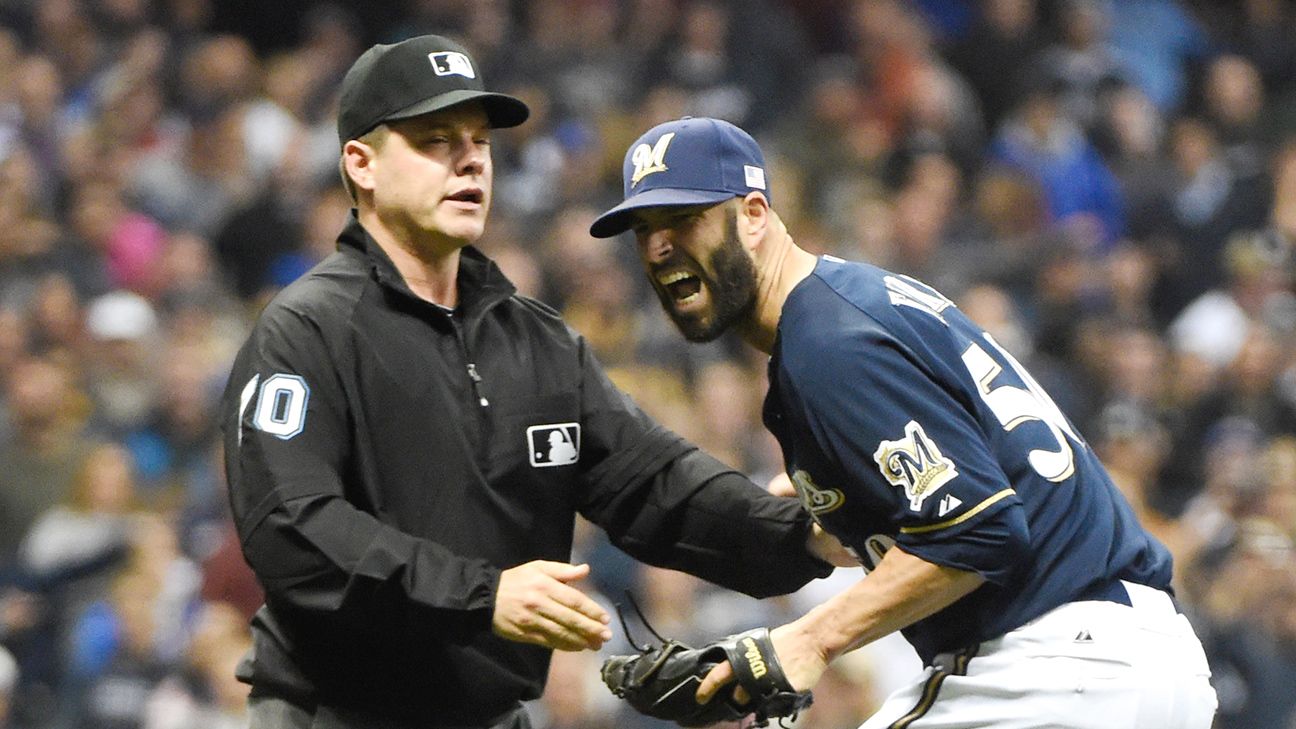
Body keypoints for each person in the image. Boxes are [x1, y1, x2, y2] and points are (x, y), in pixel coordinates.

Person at [220, 37, 846, 729]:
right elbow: (291, 528)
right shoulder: (308, 330)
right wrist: (481, 594)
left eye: (478, 142)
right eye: (434, 141)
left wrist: (802, 535)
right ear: (360, 164)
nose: (468, 161)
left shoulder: (533, 339)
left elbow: (653, 484)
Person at [590, 116, 1218, 728]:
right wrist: (838, 516)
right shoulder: (852, 302)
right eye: (642, 228)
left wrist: (808, 640)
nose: (658, 246)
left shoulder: (827, 344)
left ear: (754, 214)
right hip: (1143, 662)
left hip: (1051, 664)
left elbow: (980, 533)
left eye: (682, 219)